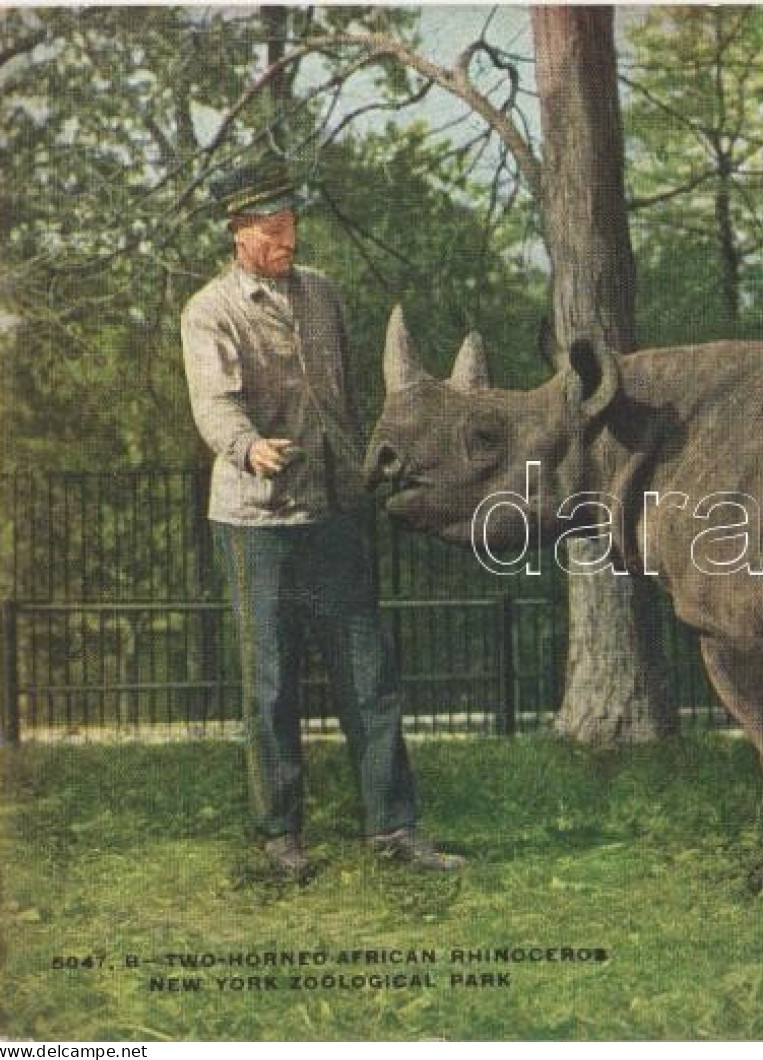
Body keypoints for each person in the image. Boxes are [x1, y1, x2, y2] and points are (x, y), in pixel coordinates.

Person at [180, 159, 463, 877]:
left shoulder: (324, 295)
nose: (288, 240)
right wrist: (248, 449)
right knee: (270, 683)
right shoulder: (210, 310)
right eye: (273, 230)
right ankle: (280, 838)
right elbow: (214, 405)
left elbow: (346, 395)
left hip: (336, 515)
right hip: (255, 523)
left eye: (292, 226)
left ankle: (395, 831)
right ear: (238, 232)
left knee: (368, 675)